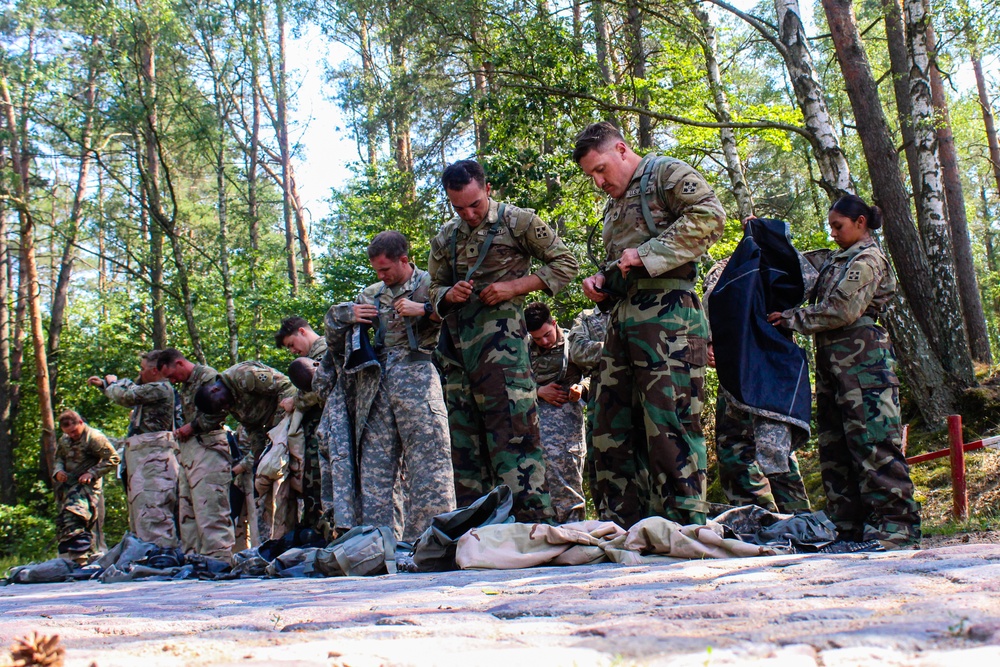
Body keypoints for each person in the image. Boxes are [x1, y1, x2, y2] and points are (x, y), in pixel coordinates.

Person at [573, 121, 725, 527]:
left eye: (601, 169)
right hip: (624, 318)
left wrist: (644, 254)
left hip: (671, 314)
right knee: (610, 426)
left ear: (621, 150)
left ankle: (685, 525)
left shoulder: (666, 174)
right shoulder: (615, 202)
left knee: (669, 421)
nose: (598, 181)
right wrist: (603, 282)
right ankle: (624, 525)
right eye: (591, 175)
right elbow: (623, 262)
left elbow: (711, 217)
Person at [428, 159, 579, 522]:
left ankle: (532, 529)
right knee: (466, 450)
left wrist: (513, 287)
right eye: (458, 207)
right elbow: (432, 289)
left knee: (515, 439)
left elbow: (566, 264)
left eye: (474, 204)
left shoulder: (519, 222)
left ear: (488, 189)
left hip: (506, 355)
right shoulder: (446, 237)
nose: (468, 213)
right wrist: (450, 295)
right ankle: (477, 535)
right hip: (458, 358)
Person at [767, 195, 921, 549]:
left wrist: (791, 318)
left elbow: (841, 309)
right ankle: (848, 527)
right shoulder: (836, 260)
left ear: (861, 223)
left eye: (839, 226)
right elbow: (797, 266)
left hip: (865, 362)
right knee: (836, 445)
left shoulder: (867, 259)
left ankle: (896, 529)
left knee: (873, 442)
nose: (833, 233)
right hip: (834, 361)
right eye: (831, 226)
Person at [327, 230, 455, 541]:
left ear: (404, 260)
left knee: (430, 463)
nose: (381, 276)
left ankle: (433, 541)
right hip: (378, 386)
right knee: (375, 469)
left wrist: (424, 310)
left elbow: (460, 316)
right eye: (377, 271)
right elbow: (332, 337)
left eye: (386, 269)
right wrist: (347, 314)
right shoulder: (371, 295)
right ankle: (378, 543)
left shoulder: (430, 284)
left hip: (419, 378)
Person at [703, 258, 811, 515]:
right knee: (751, 447)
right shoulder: (727, 268)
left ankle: (785, 519)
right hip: (749, 370)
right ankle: (773, 518)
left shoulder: (767, 262)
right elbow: (712, 307)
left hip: (758, 370)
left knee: (762, 446)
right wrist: (710, 341)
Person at [192, 361, 297, 542]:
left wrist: (281, 428)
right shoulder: (229, 400)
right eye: (222, 408)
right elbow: (252, 427)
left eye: (222, 403)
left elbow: (287, 386)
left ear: (215, 390)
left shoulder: (244, 376)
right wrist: (259, 455)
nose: (226, 407)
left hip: (292, 421)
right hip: (275, 436)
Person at [87, 350, 181, 547]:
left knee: (153, 506)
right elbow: (132, 390)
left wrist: (112, 383)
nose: (140, 373)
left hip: (155, 456)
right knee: (141, 506)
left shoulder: (161, 388)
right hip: (144, 454)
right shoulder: (151, 388)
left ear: (155, 371)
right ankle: (148, 550)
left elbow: (127, 396)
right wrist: (105, 385)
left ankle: (160, 552)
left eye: (143, 369)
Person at [157, 349, 236, 561]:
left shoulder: (208, 377)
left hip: (209, 446)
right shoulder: (185, 386)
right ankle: (193, 556)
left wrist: (192, 427)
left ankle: (219, 557)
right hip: (190, 450)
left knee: (211, 504)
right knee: (187, 507)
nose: (172, 380)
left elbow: (219, 411)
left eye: (172, 375)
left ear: (180, 363)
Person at [525, 302, 588, 523]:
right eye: (537, 338)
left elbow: (594, 372)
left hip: (567, 424)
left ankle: (574, 531)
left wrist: (582, 388)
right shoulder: (523, 349)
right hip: (533, 423)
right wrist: (538, 391)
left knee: (568, 477)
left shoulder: (574, 344)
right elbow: (509, 384)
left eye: (546, 335)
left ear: (554, 323)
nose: (543, 341)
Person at [274, 317, 328, 529]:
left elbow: (321, 389)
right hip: (315, 433)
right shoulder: (313, 355)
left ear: (302, 332)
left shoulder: (324, 352)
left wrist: (295, 401)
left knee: (319, 487)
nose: (292, 351)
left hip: (324, 434)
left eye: (291, 344)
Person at [52, 410, 120, 564]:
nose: (73, 435)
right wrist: (58, 471)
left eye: (74, 431)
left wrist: (92, 473)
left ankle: (94, 557)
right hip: (68, 487)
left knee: (85, 520)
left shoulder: (94, 438)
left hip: (89, 488)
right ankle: (72, 558)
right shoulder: (65, 440)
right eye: (69, 433)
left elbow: (113, 458)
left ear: (81, 423)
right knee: (66, 520)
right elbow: (59, 459)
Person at [566, 307, 609, 511]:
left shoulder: (633, 305)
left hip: (640, 394)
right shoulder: (586, 317)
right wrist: (619, 346)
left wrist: (599, 351)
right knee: (600, 464)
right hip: (600, 399)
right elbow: (578, 351)